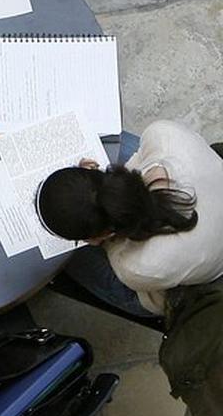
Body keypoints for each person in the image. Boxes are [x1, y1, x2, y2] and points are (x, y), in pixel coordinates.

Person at [36, 120, 223, 317]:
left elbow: (121, 249)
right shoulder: (163, 134)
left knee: (65, 259)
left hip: (200, 280)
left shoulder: (136, 266)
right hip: (212, 200)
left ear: (102, 235)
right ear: (92, 168)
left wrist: (102, 243)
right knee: (117, 143)